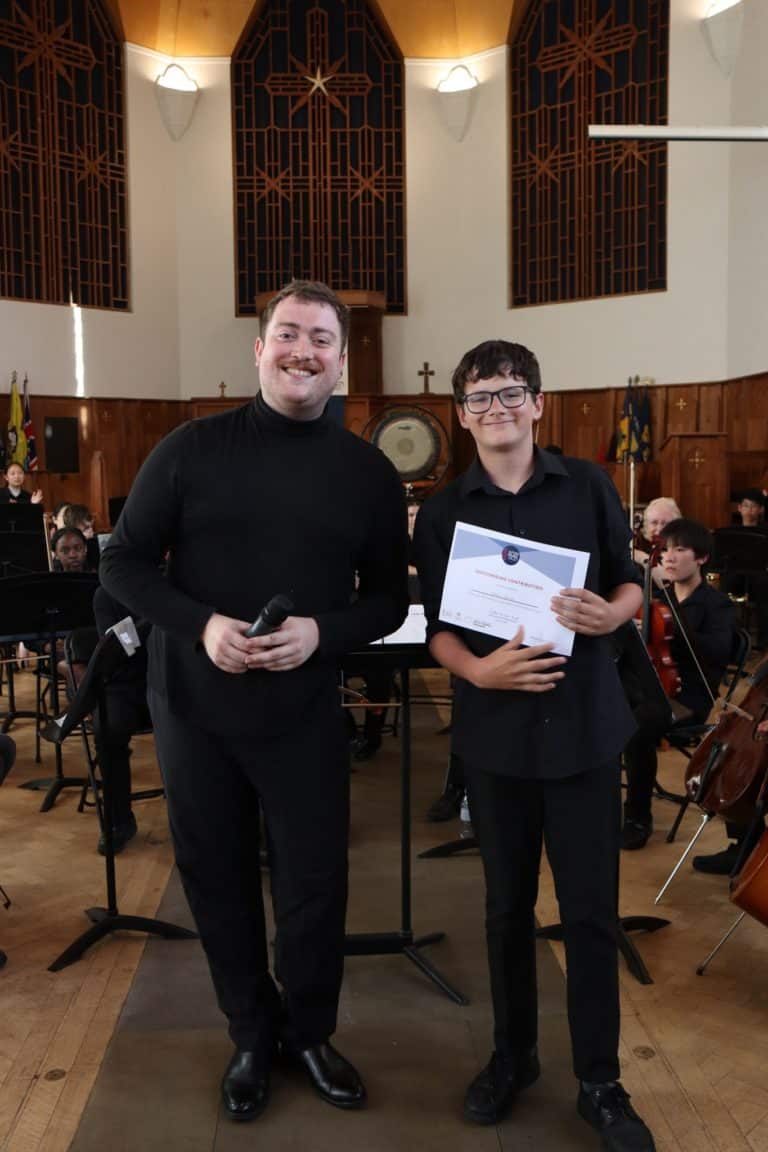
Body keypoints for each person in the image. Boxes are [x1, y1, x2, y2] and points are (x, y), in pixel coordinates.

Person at [100, 280, 409, 1122]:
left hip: (304, 710)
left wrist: (324, 633)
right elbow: (122, 564)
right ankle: (250, 1033)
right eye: (287, 334)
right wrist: (199, 626)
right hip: (195, 709)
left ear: (342, 360)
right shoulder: (190, 448)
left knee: (315, 882)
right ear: (259, 348)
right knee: (217, 878)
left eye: (319, 339)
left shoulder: (369, 471)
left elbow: (387, 600)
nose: (302, 351)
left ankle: (309, 1032)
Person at [413, 340, 653, 1151]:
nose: (497, 409)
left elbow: (630, 580)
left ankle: (601, 1081)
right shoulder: (446, 511)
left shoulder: (586, 484)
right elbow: (436, 633)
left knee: (589, 915)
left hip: (585, 732)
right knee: (503, 911)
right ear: (461, 414)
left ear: (538, 403)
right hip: (499, 742)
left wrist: (613, 615)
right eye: (480, 399)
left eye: (511, 393)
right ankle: (512, 1058)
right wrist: (476, 671)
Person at [622, 518, 735, 850]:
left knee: (637, 726)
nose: (669, 558)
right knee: (603, 708)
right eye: (666, 550)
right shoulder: (655, 598)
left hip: (688, 697)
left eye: (680, 550)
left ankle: (637, 816)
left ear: (700, 558)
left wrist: (677, 619)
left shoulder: (717, 605)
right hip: (649, 686)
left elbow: (718, 652)